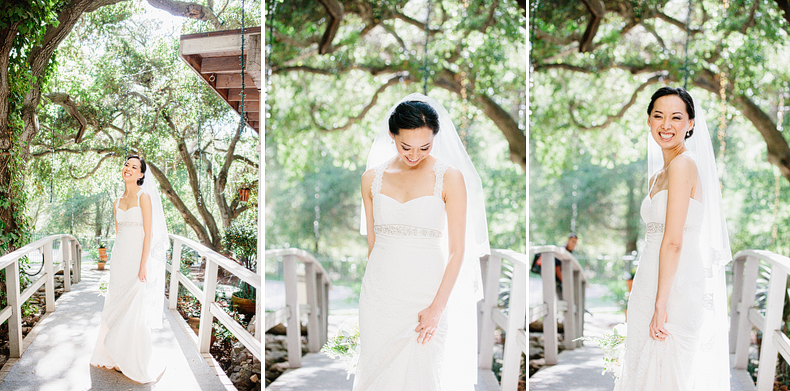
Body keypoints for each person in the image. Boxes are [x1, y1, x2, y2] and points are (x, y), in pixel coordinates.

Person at [355, 94, 489, 391]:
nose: (414, 155)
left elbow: (457, 252)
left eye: (424, 147)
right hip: (379, 298)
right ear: (392, 135)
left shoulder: (449, 177)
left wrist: (437, 308)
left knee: (423, 375)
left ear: (435, 140)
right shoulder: (370, 179)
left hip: (426, 295)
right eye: (406, 147)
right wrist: (371, 295)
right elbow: (373, 245)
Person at [613, 87, 731, 390]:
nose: (666, 125)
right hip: (650, 277)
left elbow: (674, 240)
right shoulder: (658, 175)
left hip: (675, 285)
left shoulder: (683, 165)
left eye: (676, 117)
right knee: (643, 365)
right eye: (659, 116)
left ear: (690, 123)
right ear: (649, 121)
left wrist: (660, 304)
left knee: (666, 369)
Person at [90, 155, 168, 383]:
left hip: (137, 260)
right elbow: (119, 234)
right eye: (127, 165)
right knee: (116, 303)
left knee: (134, 307)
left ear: (141, 174)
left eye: (134, 167)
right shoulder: (116, 201)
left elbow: (149, 234)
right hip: (119, 259)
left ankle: (133, 359)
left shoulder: (144, 197)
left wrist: (143, 264)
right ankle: (114, 357)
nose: (129, 169)